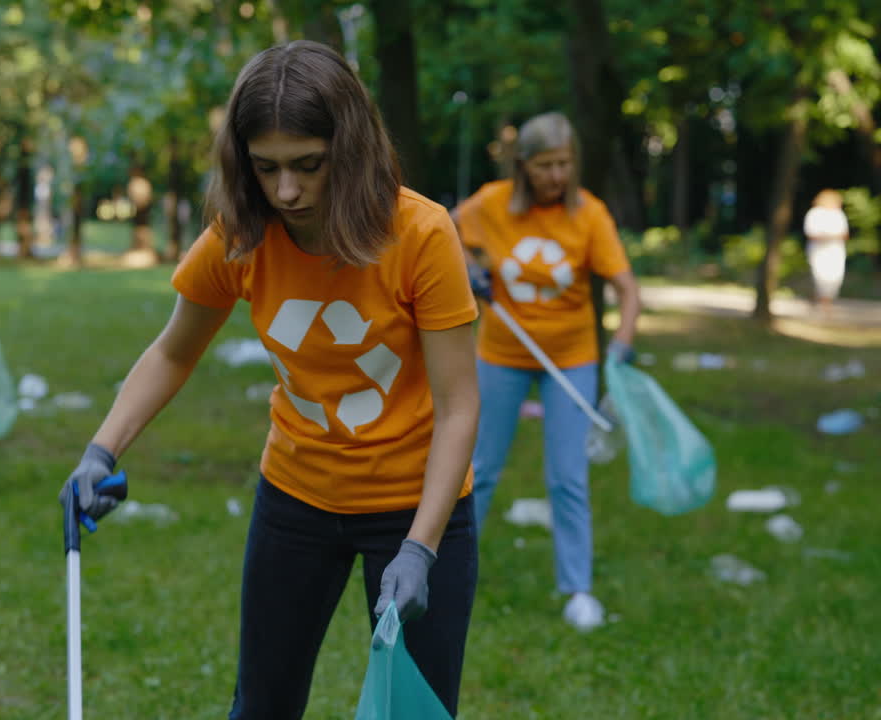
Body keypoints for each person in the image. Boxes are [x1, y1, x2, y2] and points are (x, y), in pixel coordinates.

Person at [59, 41, 481, 718]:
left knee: (414, 712)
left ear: (349, 150)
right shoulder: (242, 232)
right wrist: (100, 450)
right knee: (262, 705)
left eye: (308, 166)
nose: (286, 191)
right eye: (266, 168)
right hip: (297, 497)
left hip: (416, 504)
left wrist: (420, 547)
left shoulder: (422, 235)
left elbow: (460, 407)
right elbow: (173, 352)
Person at [451, 111, 641, 632]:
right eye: (546, 166)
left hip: (571, 359)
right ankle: (452, 572)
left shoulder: (590, 215)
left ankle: (577, 590)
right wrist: (471, 270)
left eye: (565, 164)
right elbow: (446, 228)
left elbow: (628, 289)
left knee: (568, 477)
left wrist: (621, 347)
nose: (557, 175)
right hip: (501, 353)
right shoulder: (491, 204)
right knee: (479, 469)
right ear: (523, 167)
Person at [802, 189, 850, 312]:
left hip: (835, 251)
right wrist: (830, 237)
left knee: (835, 277)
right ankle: (825, 305)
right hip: (818, 251)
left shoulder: (838, 214)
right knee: (820, 276)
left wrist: (829, 237)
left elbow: (845, 234)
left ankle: (822, 300)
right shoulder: (815, 213)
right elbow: (811, 233)